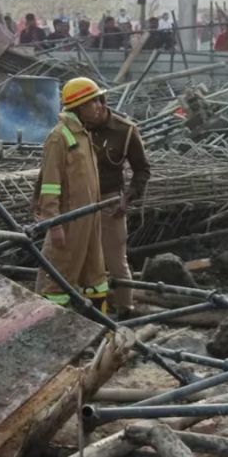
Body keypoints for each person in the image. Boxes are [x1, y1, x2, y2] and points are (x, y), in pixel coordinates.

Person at [34, 78, 110, 312]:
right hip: (69, 221)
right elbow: (49, 186)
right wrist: (54, 224)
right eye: (94, 101)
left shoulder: (83, 135)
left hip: (89, 218)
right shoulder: (60, 137)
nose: (99, 105)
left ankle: (98, 328)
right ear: (79, 105)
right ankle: (48, 329)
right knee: (57, 278)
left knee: (95, 275)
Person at [81, 88, 151, 317]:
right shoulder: (76, 128)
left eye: (85, 108)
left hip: (110, 202)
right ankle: (89, 309)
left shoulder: (125, 131)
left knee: (116, 261)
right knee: (85, 260)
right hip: (80, 202)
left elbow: (142, 170)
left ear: (100, 104)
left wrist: (127, 197)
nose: (82, 115)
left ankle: (125, 309)